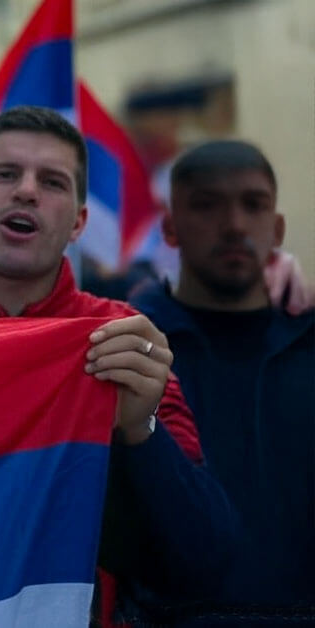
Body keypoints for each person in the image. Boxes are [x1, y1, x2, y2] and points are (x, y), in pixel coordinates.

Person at [0, 106, 238, 623]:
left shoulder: (121, 338)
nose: (26, 191)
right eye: (5, 174)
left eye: (52, 181)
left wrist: (140, 431)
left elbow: (206, 558)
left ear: (79, 222)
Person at [130, 140, 314, 619]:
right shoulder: (131, 347)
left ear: (276, 229)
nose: (234, 225)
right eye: (207, 205)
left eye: (253, 205)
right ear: (170, 228)